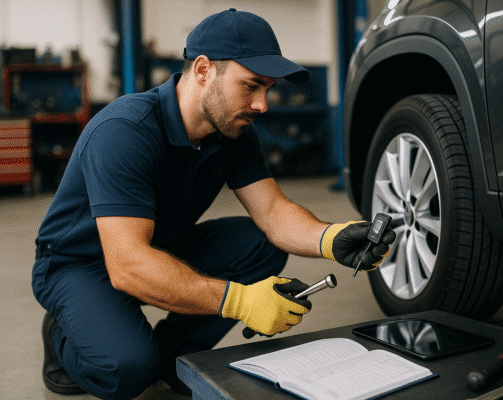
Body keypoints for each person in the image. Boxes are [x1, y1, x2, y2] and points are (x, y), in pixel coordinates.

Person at [31, 9, 395, 400]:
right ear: (203, 70)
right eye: (252, 86)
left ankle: (172, 360)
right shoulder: (125, 131)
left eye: (268, 89)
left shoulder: (233, 131)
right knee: (127, 369)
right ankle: (63, 332)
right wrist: (239, 301)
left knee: (260, 244)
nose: (262, 105)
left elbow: (272, 213)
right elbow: (127, 264)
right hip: (80, 265)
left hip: (155, 248)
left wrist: (331, 239)